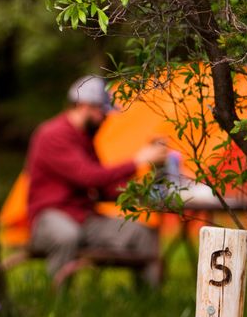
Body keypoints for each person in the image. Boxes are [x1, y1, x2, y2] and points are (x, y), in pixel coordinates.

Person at [25, 74, 167, 285]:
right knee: (67, 235)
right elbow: (89, 177)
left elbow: (103, 187)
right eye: (102, 111)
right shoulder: (53, 135)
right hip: (50, 217)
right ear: (84, 106)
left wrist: (140, 192)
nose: (105, 118)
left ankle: (151, 301)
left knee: (141, 234)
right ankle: (56, 303)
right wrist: (137, 162)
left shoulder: (84, 137)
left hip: (84, 217)